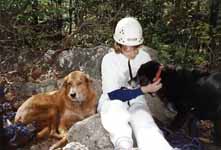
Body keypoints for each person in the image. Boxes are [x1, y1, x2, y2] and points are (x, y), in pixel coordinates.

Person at [97, 17, 174, 150]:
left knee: (143, 119)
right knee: (115, 111)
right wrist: (143, 90)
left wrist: (158, 84)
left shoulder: (144, 57)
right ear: (118, 45)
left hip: (137, 99)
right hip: (111, 100)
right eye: (127, 49)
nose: (132, 53)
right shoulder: (109, 60)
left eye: (135, 48)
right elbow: (113, 94)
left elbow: (152, 86)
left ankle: (159, 146)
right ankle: (123, 145)